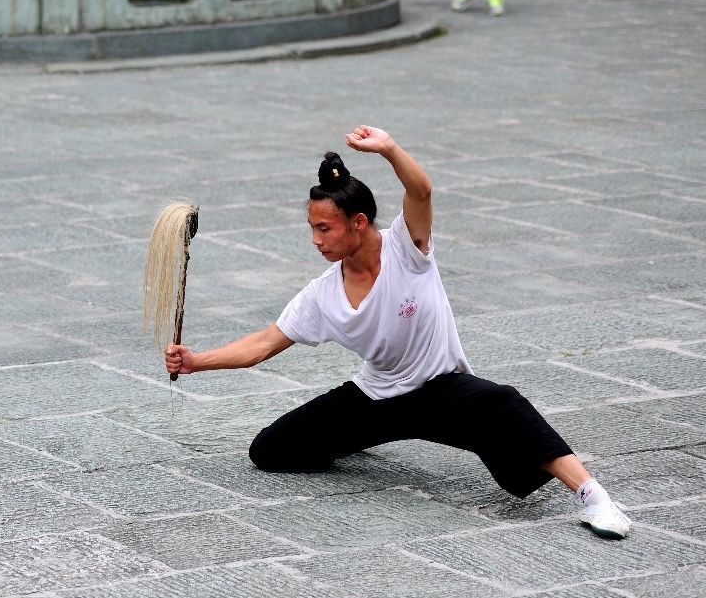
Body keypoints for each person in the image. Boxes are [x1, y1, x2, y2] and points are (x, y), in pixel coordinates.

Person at [162, 127, 632, 540]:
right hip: (377, 397)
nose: (316, 240)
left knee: (502, 403)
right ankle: (357, 441)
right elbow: (263, 343)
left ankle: (594, 497)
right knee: (269, 451)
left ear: (359, 223)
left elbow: (421, 192)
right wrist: (195, 360)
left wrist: (388, 149)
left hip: (440, 388)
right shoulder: (322, 294)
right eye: (312, 228)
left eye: (324, 228)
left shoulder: (407, 249)